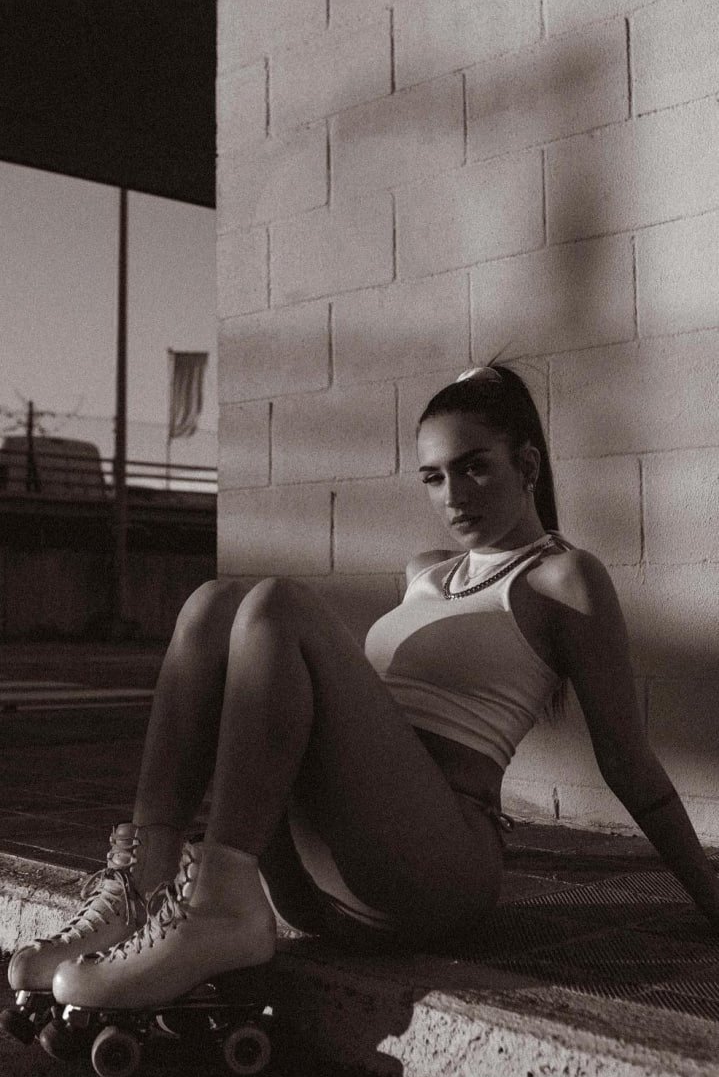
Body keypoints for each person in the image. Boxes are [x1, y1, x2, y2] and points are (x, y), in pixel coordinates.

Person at [9, 364, 719, 1013]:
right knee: (212, 602)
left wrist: (706, 891)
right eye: (433, 478)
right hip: (324, 879)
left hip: (435, 868)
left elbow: (627, 762)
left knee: (278, 603)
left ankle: (221, 905)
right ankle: (145, 881)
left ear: (526, 465)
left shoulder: (565, 578)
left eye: (473, 468)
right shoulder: (426, 570)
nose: (452, 496)